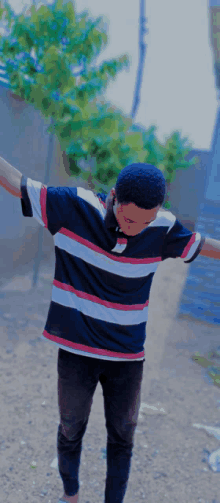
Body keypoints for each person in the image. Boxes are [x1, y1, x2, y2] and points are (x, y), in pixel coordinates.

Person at [0, 157, 220, 503]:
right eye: (129, 218)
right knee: (71, 429)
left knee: (123, 437)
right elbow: (17, 183)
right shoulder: (74, 207)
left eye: (144, 222)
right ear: (114, 197)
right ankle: (70, 496)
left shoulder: (161, 228)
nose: (135, 228)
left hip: (127, 358)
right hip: (77, 354)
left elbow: (202, 244)